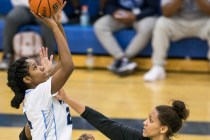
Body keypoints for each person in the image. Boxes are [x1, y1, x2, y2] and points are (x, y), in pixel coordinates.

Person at [7, 2, 75, 140]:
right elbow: (68, 66)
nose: (42, 67)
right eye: (35, 68)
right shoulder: (39, 94)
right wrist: (54, 27)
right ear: (27, 79)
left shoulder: (36, 94)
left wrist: (58, 23)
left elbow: (63, 61)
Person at [54, 89, 190, 140]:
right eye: (147, 118)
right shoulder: (139, 138)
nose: (145, 122)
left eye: (150, 120)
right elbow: (105, 123)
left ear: (163, 128)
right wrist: (67, 99)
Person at [144, 0, 210, 82]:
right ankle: (158, 66)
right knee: (161, 23)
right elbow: (166, 13)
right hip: (178, 22)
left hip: (203, 22)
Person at [94, 0, 160, 76]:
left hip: (143, 16)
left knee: (147, 27)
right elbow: (109, 5)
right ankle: (121, 58)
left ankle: (125, 59)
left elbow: (153, 8)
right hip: (121, 16)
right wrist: (114, 12)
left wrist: (135, 16)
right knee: (100, 26)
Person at [0, 0, 57, 70]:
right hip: (24, 7)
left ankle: (50, 58)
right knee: (11, 19)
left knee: (48, 22)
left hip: (43, 7)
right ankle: (7, 57)